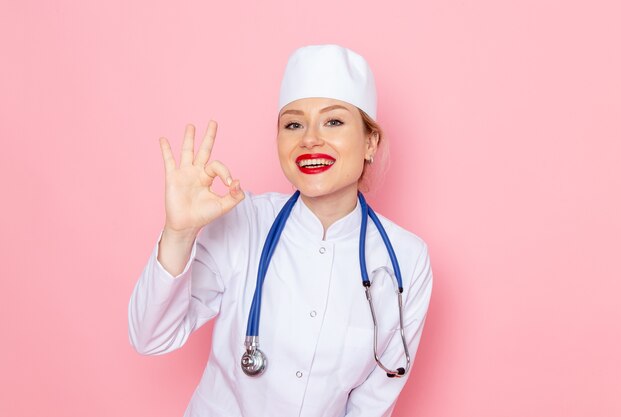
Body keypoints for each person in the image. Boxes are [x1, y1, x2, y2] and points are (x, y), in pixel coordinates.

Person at [128, 44, 433, 417]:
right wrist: (178, 232)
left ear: (370, 142)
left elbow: (376, 397)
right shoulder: (245, 220)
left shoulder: (407, 259)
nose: (309, 139)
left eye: (333, 121)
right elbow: (149, 337)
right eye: (293, 124)